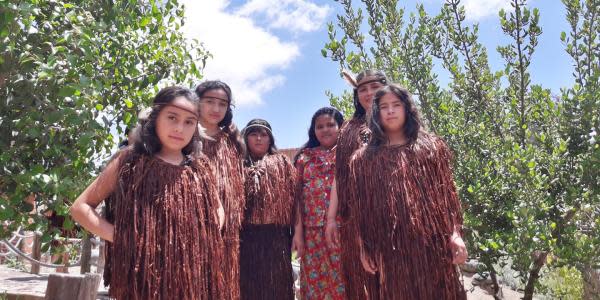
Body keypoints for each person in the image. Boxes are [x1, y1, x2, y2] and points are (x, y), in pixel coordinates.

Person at [70, 86, 224, 299]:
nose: (180, 128)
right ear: (155, 119)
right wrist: (124, 237)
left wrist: (198, 238)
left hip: (192, 279)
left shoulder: (201, 167)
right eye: (172, 117)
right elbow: (80, 207)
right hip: (141, 278)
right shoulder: (128, 162)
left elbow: (217, 209)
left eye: (189, 121)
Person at [349, 84, 467, 299]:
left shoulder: (430, 147)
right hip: (388, 250)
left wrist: (455, 234)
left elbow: (447, 197)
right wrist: (363, 248)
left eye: (396, 105)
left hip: (433, 247)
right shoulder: (363, 160)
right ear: (376, 113)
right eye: (384, 106)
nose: (390, 111)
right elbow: (362, 210)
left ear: (407, 109)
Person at [325, 69, 388, 299]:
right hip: (356, 220)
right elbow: (339, 177)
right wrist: (331, 218)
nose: (369, 93)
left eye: (374, 87)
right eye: (363, 89)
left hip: (396, 216)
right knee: (363, 284)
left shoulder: (398, 121)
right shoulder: (348, 130)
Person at [195, 80, 245, 299]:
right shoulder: (184, 137)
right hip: (192, 227)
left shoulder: (232, 141)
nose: (216, 109)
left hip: (228, 234)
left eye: (222, 104)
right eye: (209, 102)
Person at [239, 119, 297, 300]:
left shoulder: (282, 163)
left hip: (277, 237)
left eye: (263, 135)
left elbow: (295, 202)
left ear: (270, 139)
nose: (258, 139)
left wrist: (297, 233)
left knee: (278, 288)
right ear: (245, 138)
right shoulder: (235, 165)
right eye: (253, 134)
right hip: (245, 239)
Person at [293, 107, 346, 299]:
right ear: (313, 130)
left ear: (341, 126)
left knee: (343, 284)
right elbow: (297, 197)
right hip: (311, 234)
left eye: (330, 125)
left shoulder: (348, 153)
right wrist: (298, 234)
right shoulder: (304, 158)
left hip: (341, 230)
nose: (325, 130)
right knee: (315, 288)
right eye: (320, 126)